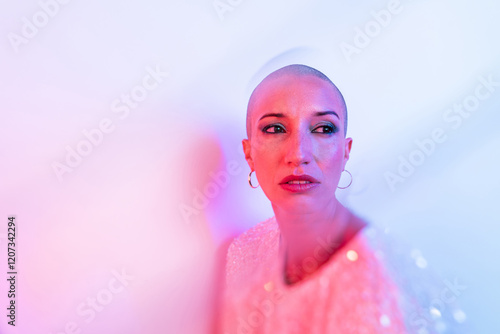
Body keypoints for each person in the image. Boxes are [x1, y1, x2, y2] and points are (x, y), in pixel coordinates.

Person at [218, 64, 467, 333]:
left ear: (345, 152)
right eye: (275, 129)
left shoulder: (368, 276)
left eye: (323, 129)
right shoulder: (244, 251)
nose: (299, 153)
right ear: (248, 153)